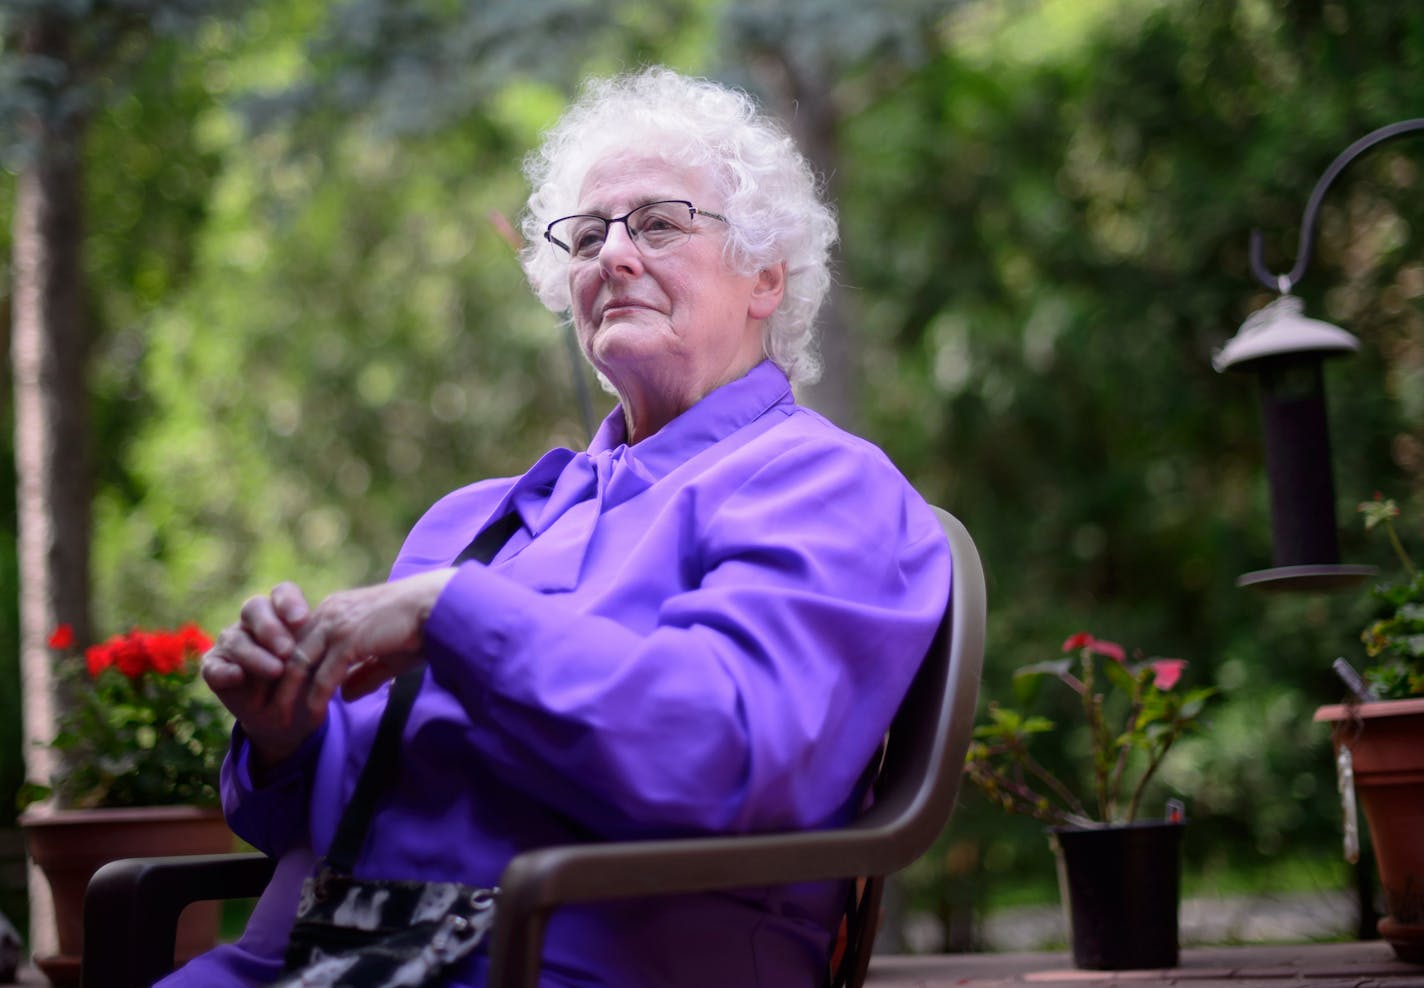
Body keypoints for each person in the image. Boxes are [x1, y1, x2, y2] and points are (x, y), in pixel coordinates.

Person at [164, 66, 952, 988]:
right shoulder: (472, 522)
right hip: (319, 957)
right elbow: (336, 811)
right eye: (587, 236)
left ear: (767, 274)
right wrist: (284, 734)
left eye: (658, 223)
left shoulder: (821, 485)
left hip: (575, 962)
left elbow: (725, 754)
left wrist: (450, 615)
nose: (614, 255)